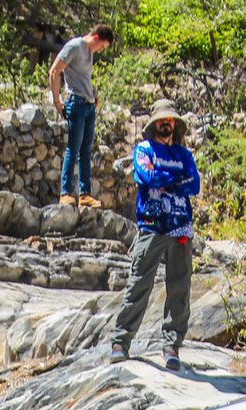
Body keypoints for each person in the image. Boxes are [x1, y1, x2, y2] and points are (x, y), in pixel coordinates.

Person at [110, 99, 201, 371]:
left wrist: (167, 179)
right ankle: (120, 341)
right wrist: (174, 179)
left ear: (175, 124)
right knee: (139, 283)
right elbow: (146, 176)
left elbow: (194, 184)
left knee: (180, 287)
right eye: (162, 120)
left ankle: (172, 346)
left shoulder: (184, 155)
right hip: (151, 225)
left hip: (181, 226)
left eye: (170, 120)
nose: (166, 123)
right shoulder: (143, 150)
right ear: (153, 124)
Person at [50, 24, 115, 207]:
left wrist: (93, 93)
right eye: (101, 46)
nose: (100, 50)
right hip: (75, 103)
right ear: (95, 38)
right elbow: (55, 71)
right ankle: (66, 193)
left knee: (86, 150)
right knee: (73, 147)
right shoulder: (74, 46)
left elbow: (83, 76)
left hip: (88, 104)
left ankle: (85, 194)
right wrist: (57, 101)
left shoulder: (89, 52)